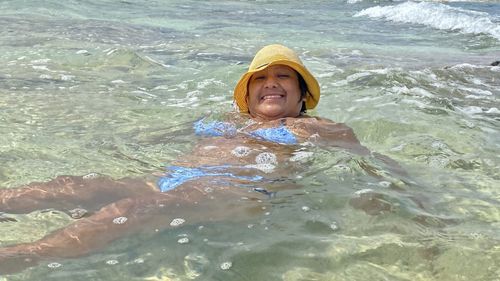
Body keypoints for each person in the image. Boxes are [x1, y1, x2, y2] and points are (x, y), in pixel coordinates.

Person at [0, 44, 407, 274]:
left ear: (302, 95)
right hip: (174, 178)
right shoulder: (227, 121)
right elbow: (163, 137)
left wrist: (401, 202)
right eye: (260, 79)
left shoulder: (314, 127)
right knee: (67, 186)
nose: (271, 84)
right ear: (246, 96)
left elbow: (369, 161)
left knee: (133, 209)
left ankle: (19, 258)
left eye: (283, 77)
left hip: (238, 195)